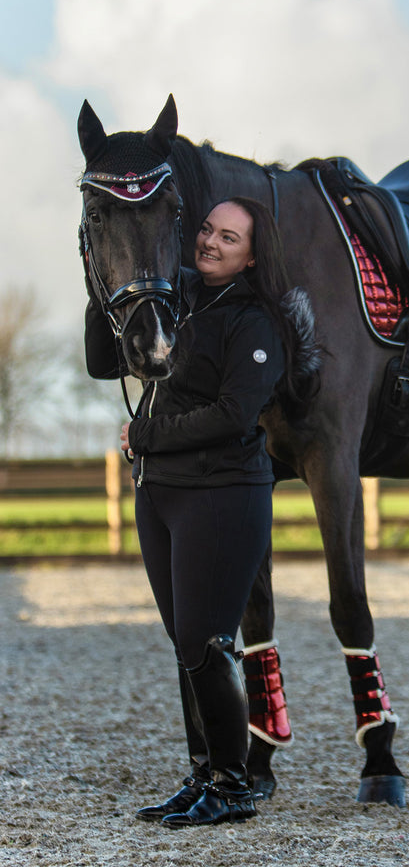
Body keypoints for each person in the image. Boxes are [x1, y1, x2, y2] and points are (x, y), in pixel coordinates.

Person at [86, 196, 301, 829]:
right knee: (187, 646)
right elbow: (104, 363)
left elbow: (236, 414)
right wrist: (100, 285)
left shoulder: (256, 322)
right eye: (207, 229)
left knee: (207, 644)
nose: (209, 242)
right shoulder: (171, 300)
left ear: (254, 255)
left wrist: (145, 437)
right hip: (161, 494)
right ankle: (205, 773)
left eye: (228, 238)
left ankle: (236, 785)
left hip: (224, 494)